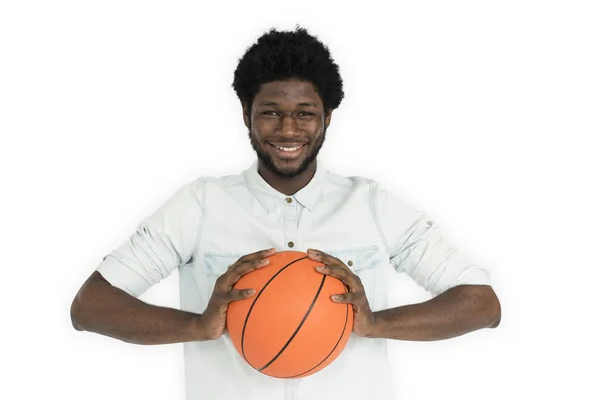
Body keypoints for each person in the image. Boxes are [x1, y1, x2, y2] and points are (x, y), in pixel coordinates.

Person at [70, 26, 501, 400]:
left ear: (328, 118)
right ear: (246, 115)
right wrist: (199, 325)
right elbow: (90, 306)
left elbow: (482, 304)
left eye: (305, 114)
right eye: (271, 112)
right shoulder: (200, 204)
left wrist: (373, 323)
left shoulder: (371, 204)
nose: (288, 130)